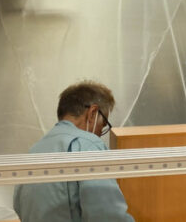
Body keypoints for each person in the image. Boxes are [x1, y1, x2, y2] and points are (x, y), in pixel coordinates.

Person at [14, 81, 134, 222]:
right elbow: (108, 215)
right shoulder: (88, 146)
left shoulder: (33, 151)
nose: (100, 133)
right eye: (102, 126)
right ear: (92, 113)